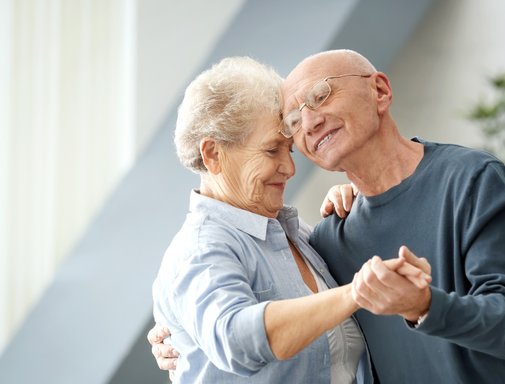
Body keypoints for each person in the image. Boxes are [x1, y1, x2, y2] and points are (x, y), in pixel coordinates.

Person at [152, 49, 505, 383]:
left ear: (381, 92)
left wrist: (423, 304)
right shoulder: (331, 237)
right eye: (294, 121)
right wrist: (180, 333)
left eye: (320, 95)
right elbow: (232, 332)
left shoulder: (471, 182)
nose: (309, 123)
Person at [151, 55, 429, 383]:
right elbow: (236, 340)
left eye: (290, 150)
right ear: (213, 154)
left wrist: (355, 204)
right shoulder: (198, 249)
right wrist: (356, 293)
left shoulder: (299, 237)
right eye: (271, 151)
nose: (290, 168)